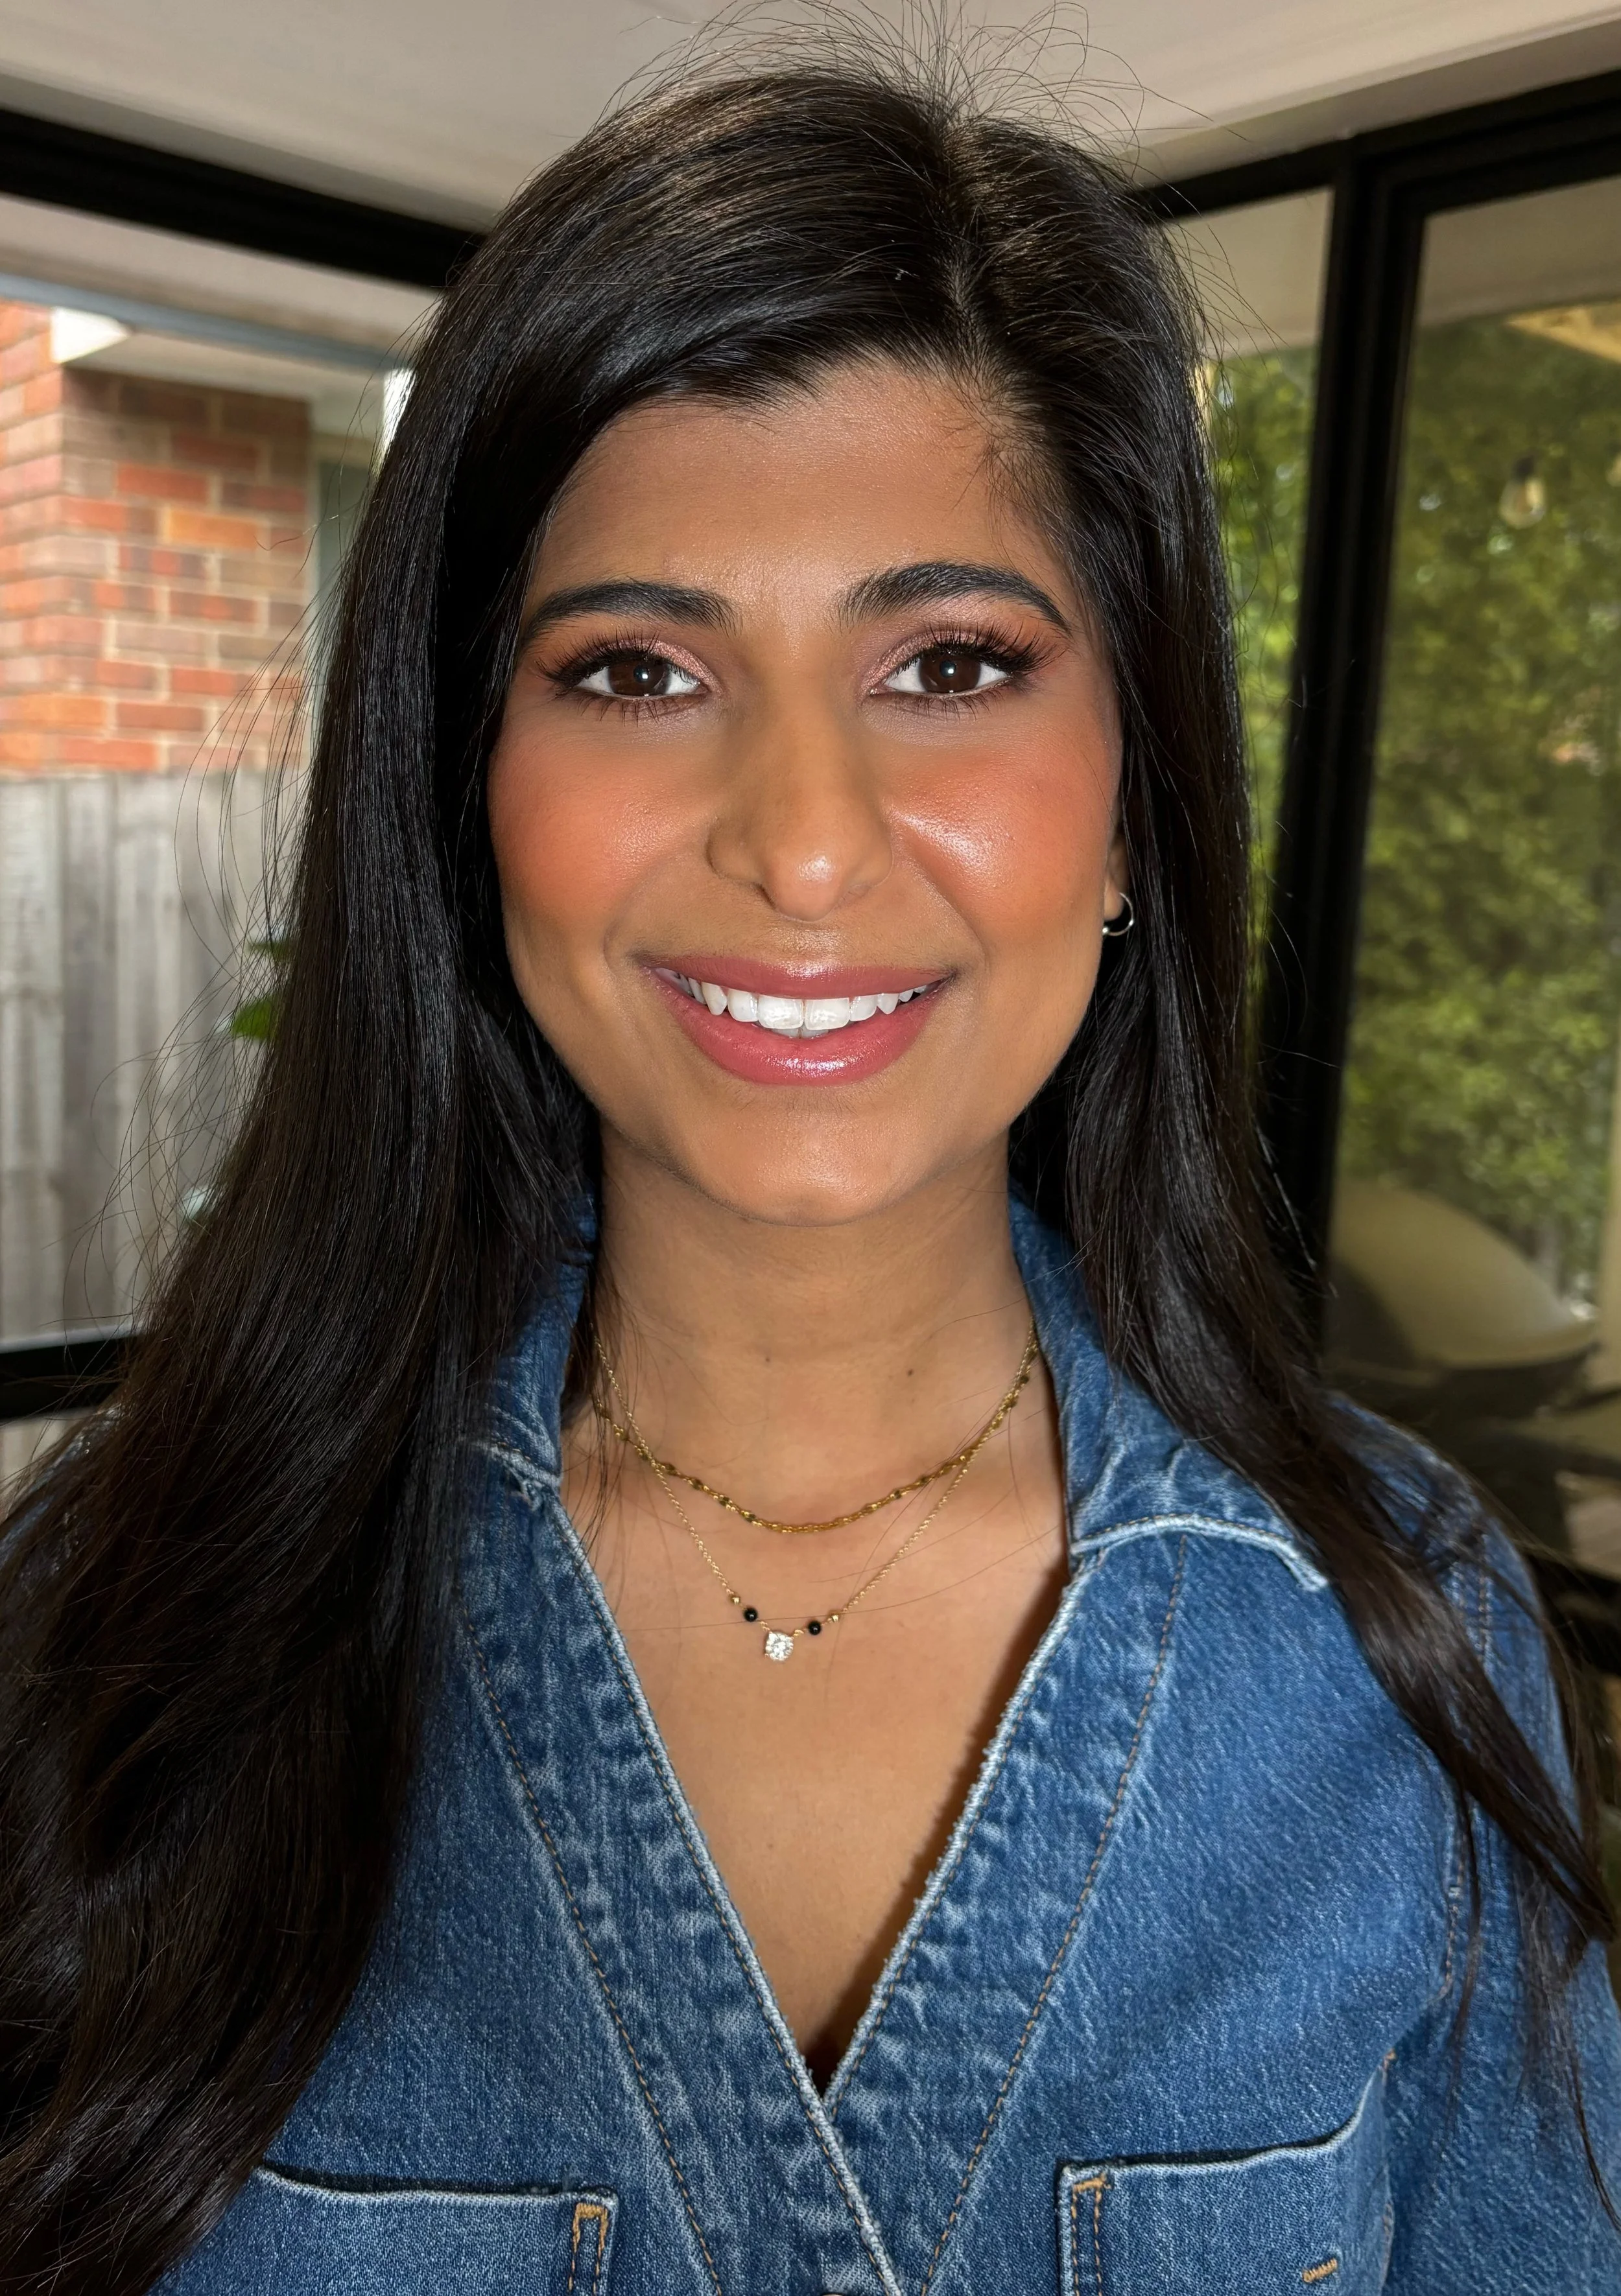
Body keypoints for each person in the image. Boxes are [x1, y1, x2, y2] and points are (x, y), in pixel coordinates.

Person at [2, 58, 1618, 2296]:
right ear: (472, 794)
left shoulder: (1396, 1639)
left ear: (1135, 799)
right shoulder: (118, 1619)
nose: (804, 838)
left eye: (949, 662)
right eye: (638, 667)